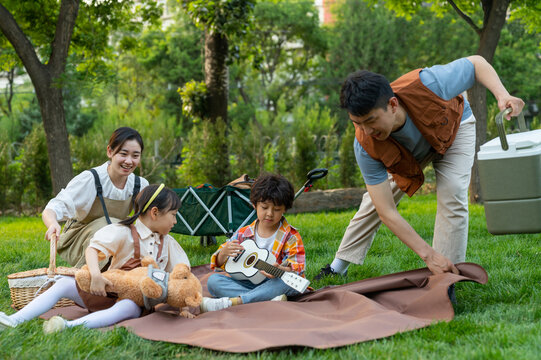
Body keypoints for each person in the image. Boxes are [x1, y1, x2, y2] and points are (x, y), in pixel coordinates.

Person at [315, 55, 524, 280]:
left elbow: (476, 64)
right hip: (408, 154)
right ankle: (337, 267)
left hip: (453, 129)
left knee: (452, 191)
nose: (366, 130)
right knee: (377, 203)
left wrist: (502, 94)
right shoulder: (366, 145)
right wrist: (428, 255)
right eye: (358, 123)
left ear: (392, 105)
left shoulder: (430, 83)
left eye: (371, 120)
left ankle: (446, 279)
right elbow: (387, 212)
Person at [0, 184, 190, 333]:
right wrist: (96, 275)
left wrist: (184, 307)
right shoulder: (124, 232)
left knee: (127, 307)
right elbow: (92, 249)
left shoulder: (169, 243)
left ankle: (68, 327)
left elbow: (183, 274)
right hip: (107, 291)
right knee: (63, 284)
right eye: (173, 215)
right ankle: (14, 320)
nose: (175, 221)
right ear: (155, 212)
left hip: (137, 302)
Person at [42, 127, 149, 268]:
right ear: (110, 151)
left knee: (125, 230)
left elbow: (149, 221)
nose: (129, 161)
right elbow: (53, 208)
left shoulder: (140, 184)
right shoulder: (91, 179)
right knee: (108, 226)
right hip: (79, 239)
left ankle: (120, 274)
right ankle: (88, 275)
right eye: (123, 154)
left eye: (135, 156)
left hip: (115, 237)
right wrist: (53, 224)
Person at [200, 174, 305, 312]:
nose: (269, 213)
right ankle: (265, 299)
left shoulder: (291, 236)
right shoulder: (244, 233)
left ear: (285, 209)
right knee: (214, 282)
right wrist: (224, 253)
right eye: (264, 207)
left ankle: (237, 301)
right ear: (254, 205)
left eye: (277, 209)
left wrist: (281, 270)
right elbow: (218, 264)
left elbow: (298, 269)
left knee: (290, 280)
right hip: (247, 283)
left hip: (273, 283)